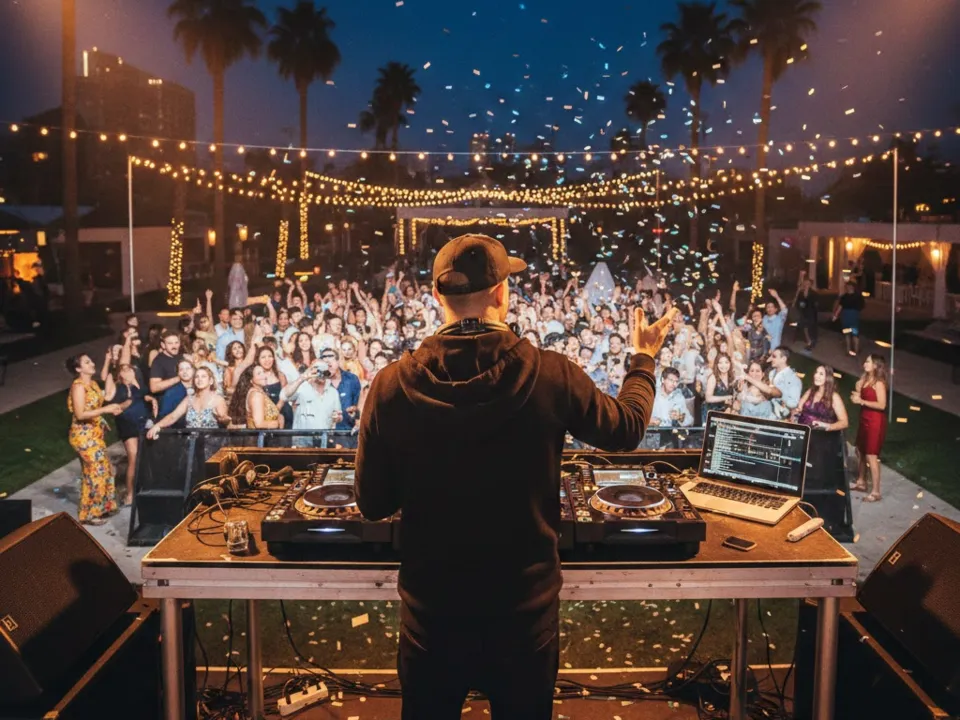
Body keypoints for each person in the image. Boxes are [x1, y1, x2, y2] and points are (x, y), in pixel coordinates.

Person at [355, 234, 676, 720]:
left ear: (437, 295)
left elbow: (373, 503)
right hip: (523, 614)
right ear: (502, 293)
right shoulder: (552, 374)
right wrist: (643, 358)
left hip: (432, 613)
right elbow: (627, 427)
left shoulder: (389, 386)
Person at [66, 354, 124, 525]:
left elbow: (106, 397)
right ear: (78, 369)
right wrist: (105, 410)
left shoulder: (92, 384)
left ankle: (100, 507)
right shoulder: (78, 387)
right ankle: (91, 513)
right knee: (96, 471)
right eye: (87, 362)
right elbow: (80, 414)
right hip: (83, 436)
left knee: (102, 469)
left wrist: (110, 365)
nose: (92, 364)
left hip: (95, 434)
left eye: (91, 361)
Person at [107, 361, 156, 504]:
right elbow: (115, 408)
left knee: (146, 457)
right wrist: (126, 402)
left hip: (143, 422)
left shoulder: (137, 385)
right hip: (128, 425)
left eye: (130, 370)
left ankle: (146, 488)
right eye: (124, 370)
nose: (128, 372)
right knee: (133, 458)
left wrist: (151, 399)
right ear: (119, 375)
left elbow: (143, 395)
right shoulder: (118, 388)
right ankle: (130, 494)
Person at [146, 366, 230, 437]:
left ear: (210, 381)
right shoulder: (189, 399)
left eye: (203, 376)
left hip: (211, 445)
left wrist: (223, 419)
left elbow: (225, 421)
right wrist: (157, 426)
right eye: (197, 377)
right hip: (191, 444)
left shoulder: (218, 400)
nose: (199, 379)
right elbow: (173, 416)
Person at [851, 354, 888, 502]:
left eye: (868, 361)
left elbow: (882, 405)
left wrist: (861, 401)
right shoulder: (865, 380)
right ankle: (861, 481)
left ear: (875, 365)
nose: (864, 364)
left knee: (871, 455)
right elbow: (859, 395)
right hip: (864, 418)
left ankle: (876, 492)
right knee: (860, 450)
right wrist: (858, 392)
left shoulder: (879, 383)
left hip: (875, 421)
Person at [281, 361, 343, 445]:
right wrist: (302, 378)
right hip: (302, 441)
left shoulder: (333, 392)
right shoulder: (302, 388)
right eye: (318, 371)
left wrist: (338, 418)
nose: (321, 374)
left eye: (324, 371)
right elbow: (283, 396)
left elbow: (339, 416)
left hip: (324, 441)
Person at [796, 365, 849, 432]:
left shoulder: (834, 397)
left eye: (821, 374)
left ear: (828, 378)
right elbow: (799, 409)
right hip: (803, 431)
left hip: (821, 434)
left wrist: (827, 426)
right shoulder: (810, 391)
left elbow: (844, 423)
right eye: (816, 372)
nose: (816, 376)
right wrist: (795, 413)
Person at [149, 330, 184, 414]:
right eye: (170, 343)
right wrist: (180, 378)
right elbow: (154, 387)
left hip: (183, 400)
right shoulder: (158, 362)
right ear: (163, 345)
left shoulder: (180, 357)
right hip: (168, 405)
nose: (174, 346)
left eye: (176, 343)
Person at [768, 346, 802, 420]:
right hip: (766, 408)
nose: (771, 359)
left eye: (774, 356)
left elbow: (793, 403)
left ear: (783, 359)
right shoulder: (771, 373)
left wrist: (780, 395)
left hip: (777, 416)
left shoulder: (793, 379)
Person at [833, 281, 864, 357]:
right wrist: (836, 315)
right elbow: (840, 307)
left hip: (852, 317)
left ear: (853, 287)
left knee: (854, 334)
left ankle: (855, 350)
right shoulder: (845, 297)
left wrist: (836, 315)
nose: (848, 288)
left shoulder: (857, 297)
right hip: (847, 318)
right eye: (847, 286)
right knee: (848, 334)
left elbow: (861, 307)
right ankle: (849, 350)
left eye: (849, 286)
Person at [703, 353, 736, 419]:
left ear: (730, 363)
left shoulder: (731, 377)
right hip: (711, 413)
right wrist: (726, 397)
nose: (724, 365)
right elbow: (708, 398)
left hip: (724, 413)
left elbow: (732, 396)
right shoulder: (713, 377)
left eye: (726, 362)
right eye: (720, 363)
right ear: (716, 364)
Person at [793, 273, 819, 350]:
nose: (806, 285)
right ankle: (809, 341)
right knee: (805, 327)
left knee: (810, 328)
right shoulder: (801, 293)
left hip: (811, 313)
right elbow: (797, 303)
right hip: (803, 313)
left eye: (808, 283)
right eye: (805, 283)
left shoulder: (814, 293)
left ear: (810, 285)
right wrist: (800, 304)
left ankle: (812, 342)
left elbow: (816, 304)